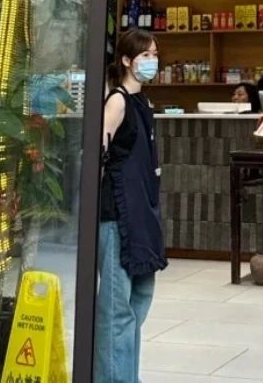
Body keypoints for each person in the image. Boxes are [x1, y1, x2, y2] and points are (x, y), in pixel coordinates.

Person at [97, 29, 167, 383]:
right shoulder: (118, 102)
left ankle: (124, 374)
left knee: (141, 296)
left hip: (143, 213)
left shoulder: (144, 103)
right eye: (145, 55)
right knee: (117, 308)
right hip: (117, 215)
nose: (152, 61)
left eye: (155, 54)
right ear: (126, 60)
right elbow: (98, 155)